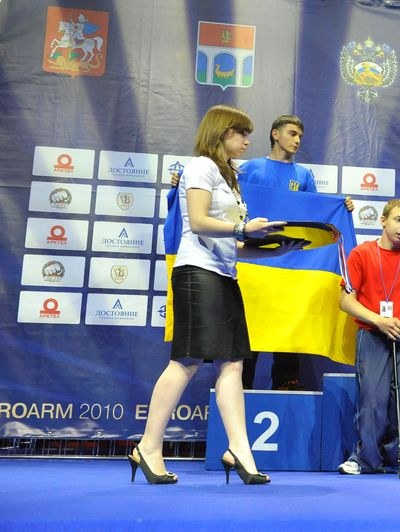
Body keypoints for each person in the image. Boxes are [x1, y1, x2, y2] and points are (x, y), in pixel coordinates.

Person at [129, 105, 303, 485]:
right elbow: (198, 222)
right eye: (240, 133)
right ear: (220, 132)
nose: (246, 140)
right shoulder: (201, 167)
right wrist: (244, 226)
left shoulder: (231, 176)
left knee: (234, 365)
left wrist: (278, 250)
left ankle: (239, 449)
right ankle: (148, 446)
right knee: (186, 362)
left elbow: (233, 244)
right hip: (196, 273)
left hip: (225, 275)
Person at [238, 114, 353, 391]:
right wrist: (180, 182)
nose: (297, 140)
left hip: (291, 265)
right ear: (275, 134)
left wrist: (342, 206)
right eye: (292, 133)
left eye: (300, 136)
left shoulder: (303, 176)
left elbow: (314, 213)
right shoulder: (249, 169)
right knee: (249, 327)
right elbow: (224, 198)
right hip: (254, 264)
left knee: (289, 323)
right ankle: (240, 389)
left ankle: (286, 386)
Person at [337, 199, 400, 475]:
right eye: (399, 220)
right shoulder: (361, 254)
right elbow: (345, 301)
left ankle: (397, 455)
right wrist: (379, 320)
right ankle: (364, 458)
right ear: (383, 221)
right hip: (371, 333)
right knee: (372, 398)